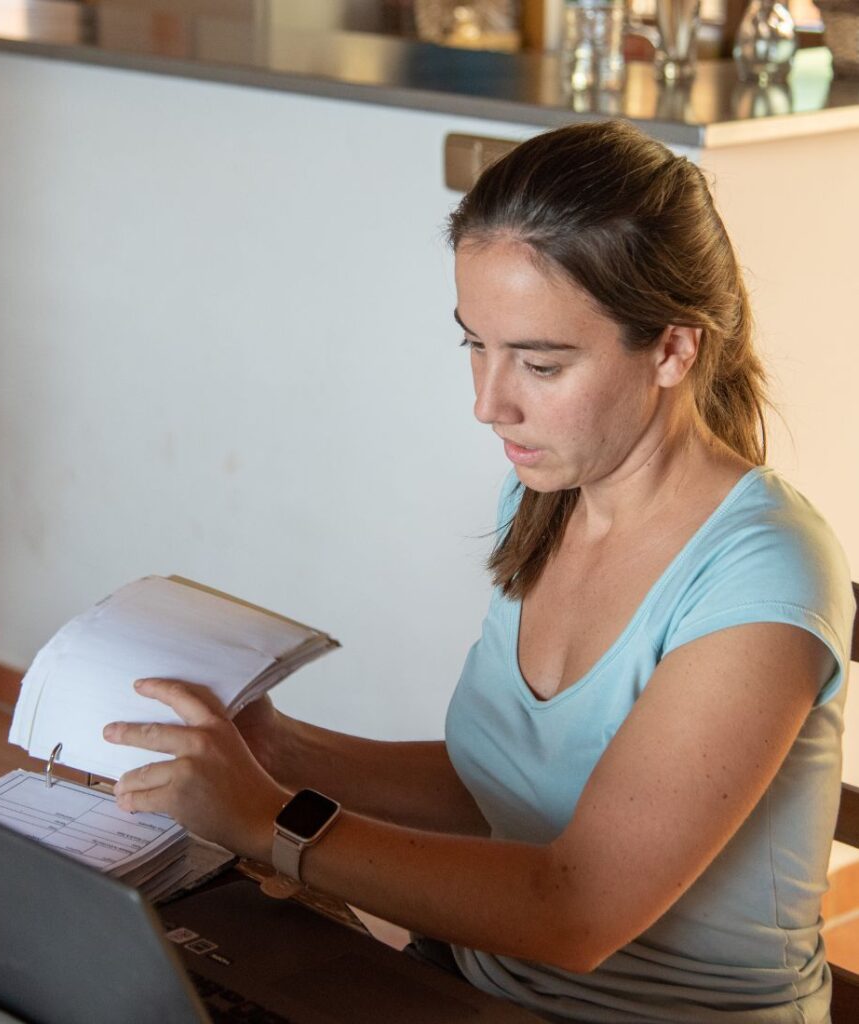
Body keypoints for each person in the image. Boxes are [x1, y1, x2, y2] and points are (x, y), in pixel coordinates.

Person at [103, 120, 855, 1023]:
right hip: (466, 985)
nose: (486, 403)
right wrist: (282, 753)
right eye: (474, 344)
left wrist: (269, 822)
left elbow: (577, 909)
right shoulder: (546, 498)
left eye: (539, 362)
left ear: (670, 348)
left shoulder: (760, 579)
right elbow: (497, 787)